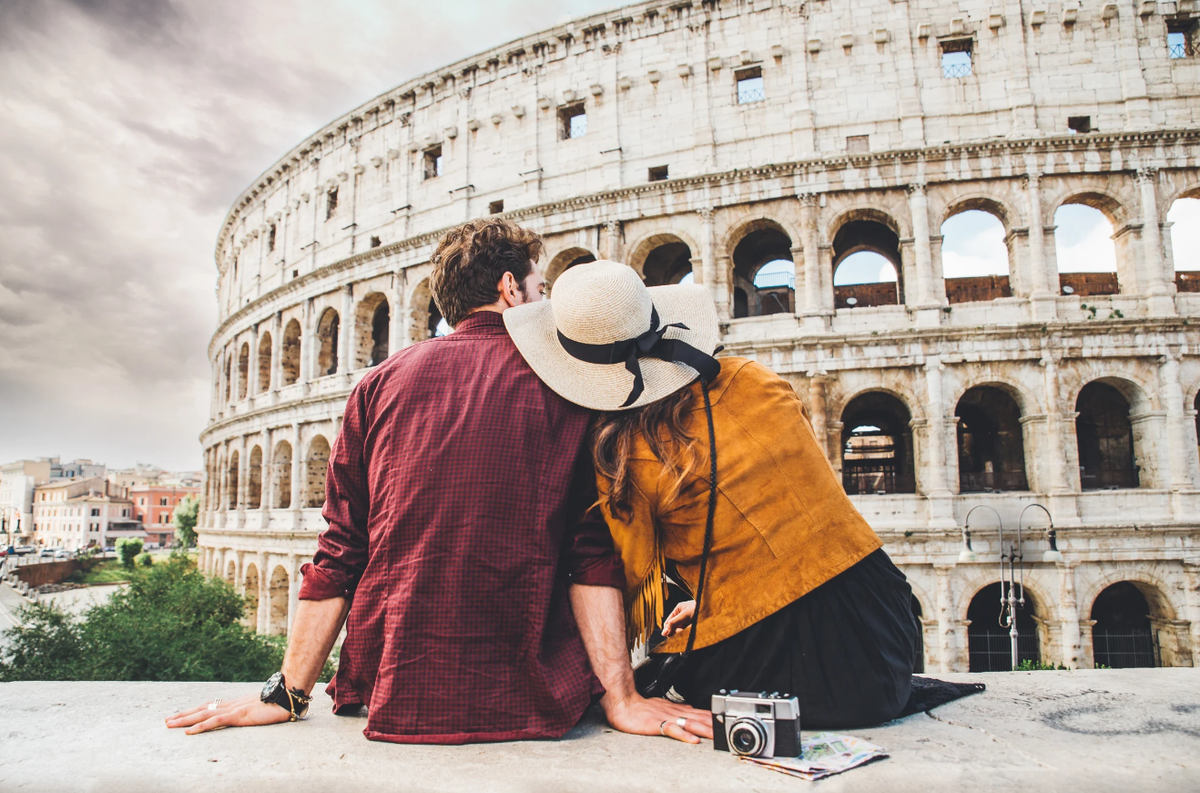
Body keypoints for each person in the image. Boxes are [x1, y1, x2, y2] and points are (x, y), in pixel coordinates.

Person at [167, 220, 710, 744]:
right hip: (532, 693)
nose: (542, 299)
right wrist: (622, 697)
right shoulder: (568, 385)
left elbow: (339, 549)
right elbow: (588, 554)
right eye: (539, 287)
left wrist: (287, 692)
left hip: (393, 689)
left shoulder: (375, 385)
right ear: (510, 290)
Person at [503, 260, 918, 728]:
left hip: (782, 671)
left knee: (670, 669)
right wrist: (722, 597)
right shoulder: (754, 378)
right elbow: (787, 517)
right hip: (883, 634)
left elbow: (629, 576)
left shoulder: (624, 451)